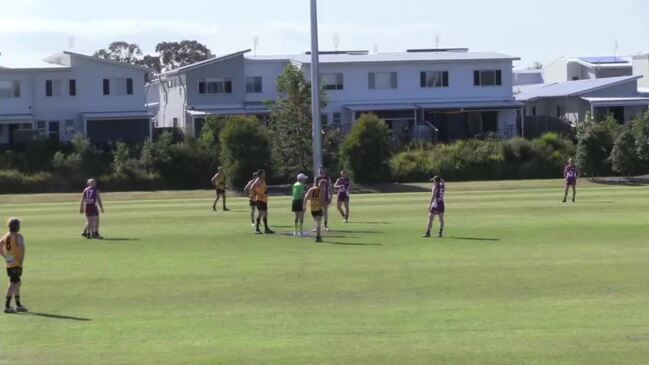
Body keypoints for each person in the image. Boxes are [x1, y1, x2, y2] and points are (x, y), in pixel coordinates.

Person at [1, 218, 28, 314]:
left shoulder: (6, 236)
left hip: (10, 262)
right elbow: (22, 248)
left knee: (17, 282)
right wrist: (21, 259)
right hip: (16, 263)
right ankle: (7, 306)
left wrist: (6, 256)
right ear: (17, 227)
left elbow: (0, 244)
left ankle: (18, 304)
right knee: (13, 283)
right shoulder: (18, 236)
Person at [250, 169, 274, 235]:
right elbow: (252, 187)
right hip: (260, 200)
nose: (264, 174)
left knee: (265, 213)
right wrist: (256, 194)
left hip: (264, 199)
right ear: (260, 174)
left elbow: (263, 189)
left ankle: (266, 228)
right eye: (263, 173)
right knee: (260, 213)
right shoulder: (258, 180)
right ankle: (257, 229)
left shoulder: (263, 180)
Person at [314, 167, 333, 231]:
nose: (321, 173)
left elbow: (330, 188)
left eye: (322, 171)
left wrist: (331, 197)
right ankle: (316, 226)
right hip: (318, 197)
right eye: (320, 172)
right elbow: (314, 188)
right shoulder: (317, 178)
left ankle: (325, 226)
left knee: (325, 211)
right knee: (317, 211)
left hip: (325, 197)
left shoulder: (328, 178)